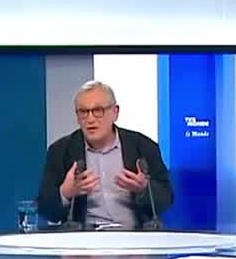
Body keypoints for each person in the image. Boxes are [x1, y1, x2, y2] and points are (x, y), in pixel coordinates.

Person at [37, 81, 173, 229]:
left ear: (115, 112)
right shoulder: (60, 151)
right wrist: (65, 193)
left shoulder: (143, 147)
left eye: (98, 110)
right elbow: (46, 210)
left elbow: (166, 199)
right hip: (83, 238)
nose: (90, 119)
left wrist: (144, 189)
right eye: (83, 112)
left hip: (133, 236)